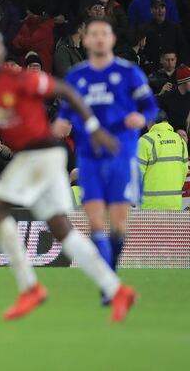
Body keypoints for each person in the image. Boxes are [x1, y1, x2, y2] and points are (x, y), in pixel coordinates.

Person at [0, 28, 136, 322]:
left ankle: (29, 287)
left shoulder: (22, 79)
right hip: (38, 158)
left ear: (2, 51)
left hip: (43, 151)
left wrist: (95, 129)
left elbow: (67, 91)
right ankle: (115, 288)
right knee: (61, 227)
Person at [54, 19, 159, 302]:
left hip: (122, 155)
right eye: (93, 34)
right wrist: (59, 125)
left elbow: (150, 106)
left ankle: (109, 276)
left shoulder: (129, 73)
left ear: (111, 40)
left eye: (104, 34)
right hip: (89, 157)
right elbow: (65, 114)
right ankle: (108, 285)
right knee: (96, 222)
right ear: (85, 40)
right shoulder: (77, 77)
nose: (99, 39)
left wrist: (143, 117)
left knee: (119, 224)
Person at [138, 117, 188, 210]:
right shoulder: (180, 140)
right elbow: (184, 170)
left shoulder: (145, 140)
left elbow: (137, 173)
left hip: (150, 206)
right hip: (174, 204)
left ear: (151, 122)